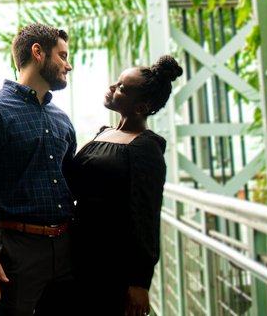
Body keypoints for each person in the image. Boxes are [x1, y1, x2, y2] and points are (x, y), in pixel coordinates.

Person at [0, 23, 78, 315]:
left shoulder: (62, 120)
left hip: (65, 247)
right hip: (15, 251)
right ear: (38, 52)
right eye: (62, 56)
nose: (68, 65)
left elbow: (72, 181)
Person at [66, 54, 183, 316]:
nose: (111, 87)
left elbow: (146, 215)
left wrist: (140, 282)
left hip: (112, 266)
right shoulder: (104, 132)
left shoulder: (146, 149)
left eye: (121, 88)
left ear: (140, 107)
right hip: (80, 257)